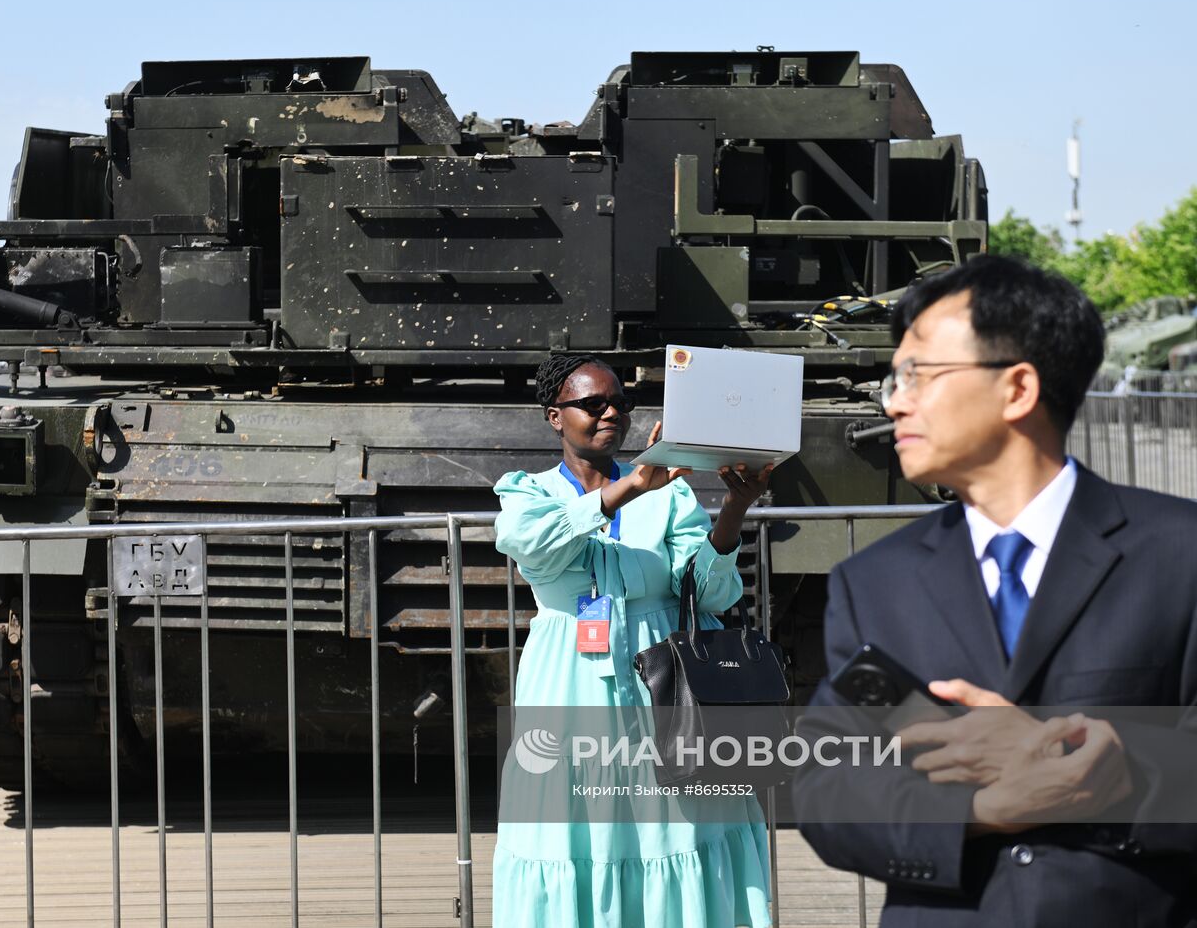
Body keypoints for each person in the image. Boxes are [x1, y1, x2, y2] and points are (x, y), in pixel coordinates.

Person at [794, 254, 1197, 925]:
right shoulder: (874, 583)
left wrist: (1105, 769)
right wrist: (980, 813)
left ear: (1017, 389)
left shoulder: (1178, 554)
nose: (893, 399)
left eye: (917, 374)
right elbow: (828, 789)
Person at [491, 353, 776, 927]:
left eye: (619, 402)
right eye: (592, 404)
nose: (610, 412)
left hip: (665, 685)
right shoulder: (529, 493)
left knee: (674, 823)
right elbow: (533, 544)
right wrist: (629, 487)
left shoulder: (671, 494)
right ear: (555, 416)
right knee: (573, 829)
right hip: (569, 684)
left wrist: (734, 510)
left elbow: (709, 593)